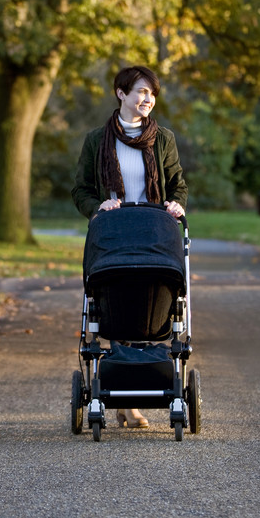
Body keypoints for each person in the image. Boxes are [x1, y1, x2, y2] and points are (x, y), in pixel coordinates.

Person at [71, 64, 188, 429]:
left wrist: (175, 204)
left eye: (151, 93)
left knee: (150, 302)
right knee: (118, 299)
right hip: (115, 235)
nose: (147, 99)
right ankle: (124, 401)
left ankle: (132, 397)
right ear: (121, 94)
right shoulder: (96, 140)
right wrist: (97, 208)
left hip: (154, 233)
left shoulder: (163, 139)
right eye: (140, 91)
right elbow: (81, 190)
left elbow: (177, 184)